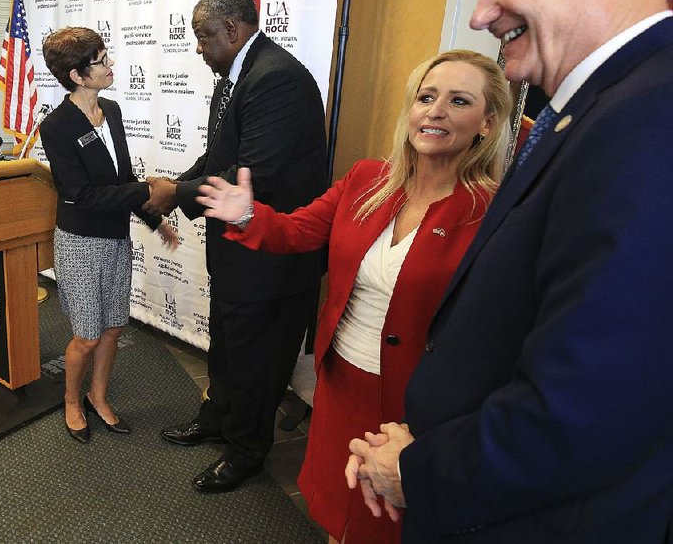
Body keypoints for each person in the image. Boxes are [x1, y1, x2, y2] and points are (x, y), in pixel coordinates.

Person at [346, 0, 673, 543]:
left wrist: (419, 470)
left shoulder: (653, 118)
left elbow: (589, 407)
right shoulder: (595, 108)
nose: (479, 14)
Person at [196, 49, 512, 542]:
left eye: (459, 101)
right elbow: (296, 233)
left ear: (487, 124)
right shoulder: (366, 179)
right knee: (337, 511)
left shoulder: (492, 212)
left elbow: (493, 335)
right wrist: (246, 215)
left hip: (416, 408)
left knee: (385, 524)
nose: (435, 111)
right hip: (341, 381)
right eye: (426, 97)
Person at [147, 0, 327, 492]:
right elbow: (218, 156)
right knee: (228, 343)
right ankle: (217, 420)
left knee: (257, 359)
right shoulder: (236, 75)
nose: (198, 48)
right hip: (237, 252)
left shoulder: (277, 79)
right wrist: (176, 188)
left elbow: (255, 174)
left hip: (271, 256)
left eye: (204, 37)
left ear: (233, 29)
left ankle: (246, 451)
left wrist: (175, 192)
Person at [40, 26, 178, 444]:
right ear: (78, 76)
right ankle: (71, 401)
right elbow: (81, 195)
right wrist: (148, 190)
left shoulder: (112, 111)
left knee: (114, 327)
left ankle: (99, 398)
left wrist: (154, 218)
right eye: (101, 60)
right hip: (80, 243)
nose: (110, 64)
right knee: (87, 334)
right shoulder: (57, 127)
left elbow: (122, 180)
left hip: (116, 239)